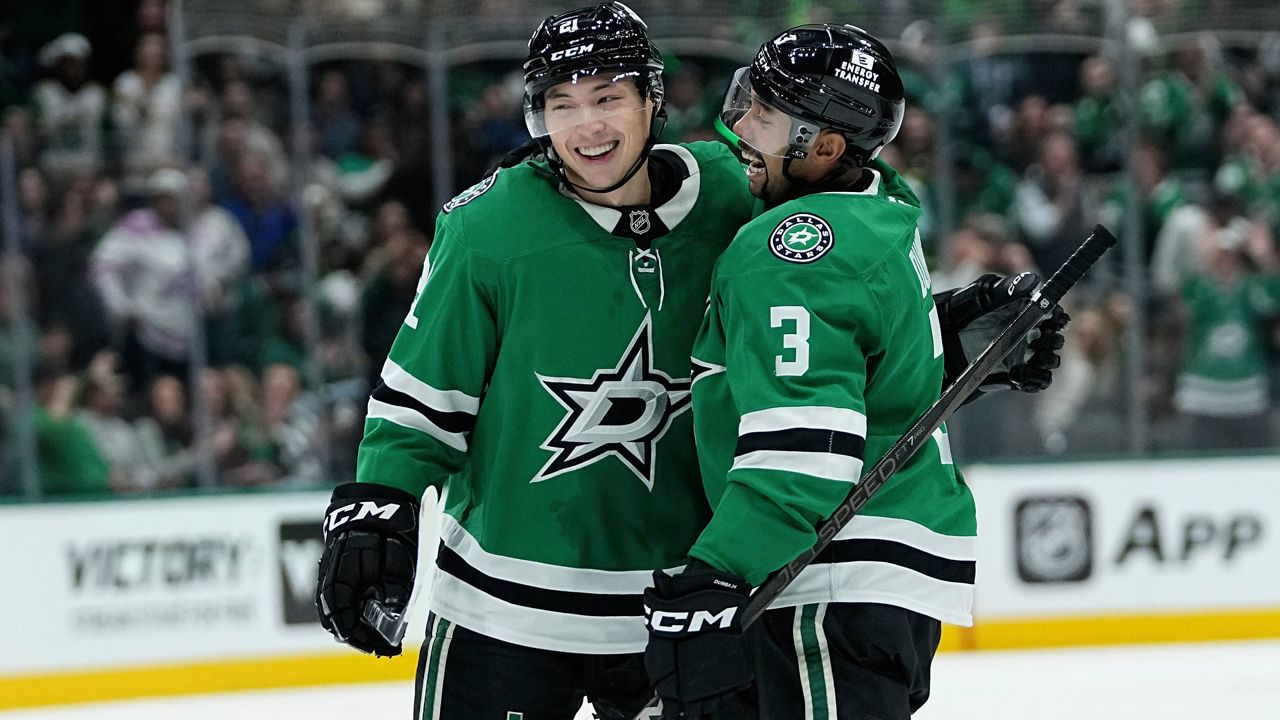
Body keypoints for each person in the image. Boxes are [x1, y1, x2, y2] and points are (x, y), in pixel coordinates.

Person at [315, 7, 1065, 720]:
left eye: (608, 97)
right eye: (562, 103)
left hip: (677, 607)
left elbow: (813, 343)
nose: (588, 125)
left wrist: (925, 335)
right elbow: (419, 401)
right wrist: (380, 501)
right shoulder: (487, 227)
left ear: (653, 100)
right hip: (505, 604)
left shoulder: (736, 195)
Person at [642, 25, 1064, 720]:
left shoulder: (790, 248)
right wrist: (942, 349)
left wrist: (721, 567)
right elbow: (866, 384)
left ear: (827, 147)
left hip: (824, 575)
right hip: (862, 580)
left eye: (767, 116)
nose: (740, 124)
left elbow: (806, 448)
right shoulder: (875, 210)